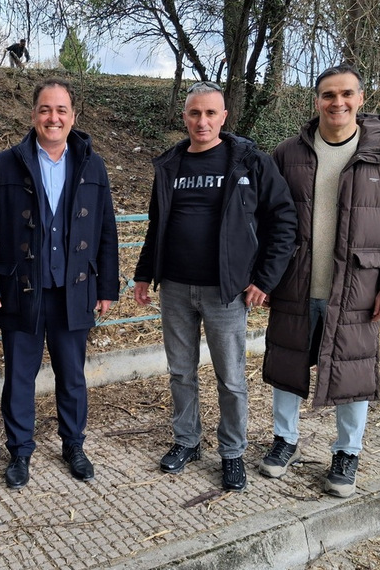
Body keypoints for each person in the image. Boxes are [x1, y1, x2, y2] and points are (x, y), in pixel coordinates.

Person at [260, 65, 380, 497]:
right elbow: (265, 219)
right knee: (286, 364)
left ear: (361, 98)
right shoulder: (288, 153)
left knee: (353, 371)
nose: (338, 102)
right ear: (316, 101)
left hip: (357, 288)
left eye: (347, 94)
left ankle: (347, 452)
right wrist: (264, 276)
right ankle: (285, 440)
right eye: (329, 95)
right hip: (296, 283)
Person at [133, 81, 297, 492]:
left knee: (231, 378)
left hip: (226, 291)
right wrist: (143, 273)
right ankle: (187, 441)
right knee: (180, 371)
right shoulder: (170, 164)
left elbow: (284, 221)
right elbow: (157, 224)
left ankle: (232, 452)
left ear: (224, 117)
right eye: (194, 113)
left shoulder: (249, 162)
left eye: (210, 113)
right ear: (184, 117)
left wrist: (264, 279)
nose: (202, 121)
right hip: (175, 287)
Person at [0, 78, 119, 489]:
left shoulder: (92, 165)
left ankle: (74, 445)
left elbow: (106, 229)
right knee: (20, 376)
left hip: (74, 289)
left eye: (61, 111)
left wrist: (107, 286)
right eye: (45, 110)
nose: (53, 118)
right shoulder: (7, 163)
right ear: (34, 114)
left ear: (73, 116)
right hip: (21, 289)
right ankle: (20, 451)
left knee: (72, 375)